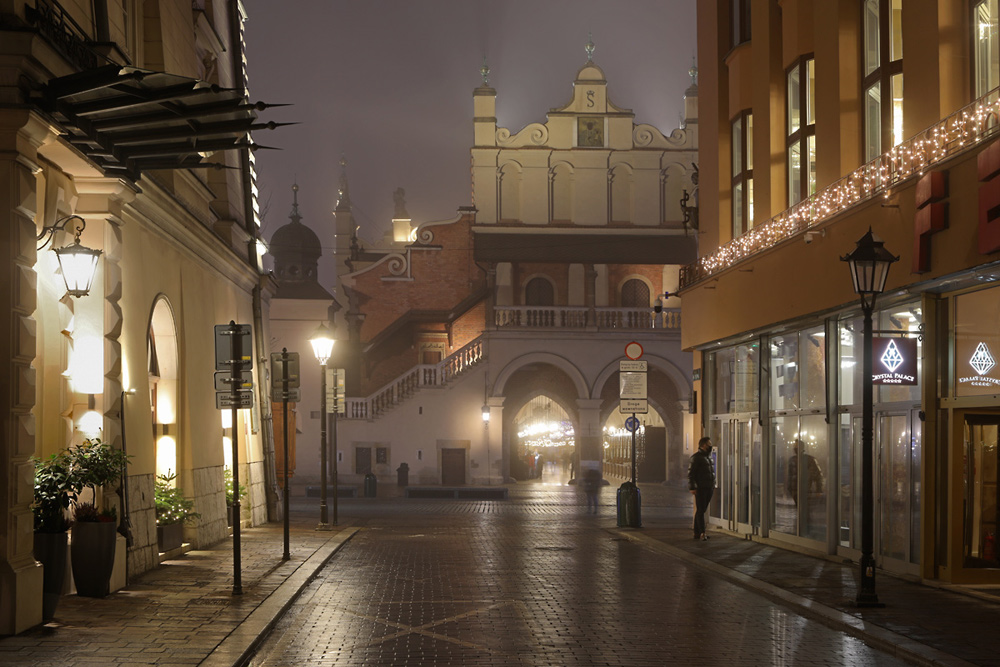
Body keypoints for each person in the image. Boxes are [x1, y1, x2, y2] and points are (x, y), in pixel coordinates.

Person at [688, 436, 715, 540]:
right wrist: (693, 487)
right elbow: (691, 474)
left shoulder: (709, 458)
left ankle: (697, 532)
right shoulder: (696, 458)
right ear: (703, 445)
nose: (710, 445)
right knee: (700, 510)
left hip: (709, 487)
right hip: (701, 488)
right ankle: (702, 533)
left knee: (702, 510)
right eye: (709, 443)